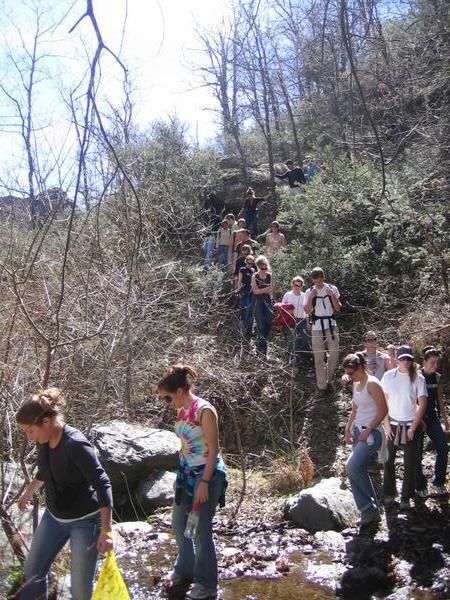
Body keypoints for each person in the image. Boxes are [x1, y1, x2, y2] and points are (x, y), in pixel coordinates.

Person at [16, 388, 113, 600]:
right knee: (32, 573)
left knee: (79, 590)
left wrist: (106, 531)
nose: (29, 437)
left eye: (30, 431)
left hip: (85, 523)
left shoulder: (75, 444)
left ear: (46, 422)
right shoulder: (44, 441)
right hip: (53, 518)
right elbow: (45, 470)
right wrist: (27, 493)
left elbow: (103, 483)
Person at [157, 365, 227, 600]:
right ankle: (184, 570)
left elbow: (214, 450)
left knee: (200, 529)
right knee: (179, 524)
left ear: (179, 391)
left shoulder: (205, 411)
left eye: (167, 398)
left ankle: (207, 584)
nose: (167, 403)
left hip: (206, 476)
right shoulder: (182, 410)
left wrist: (205, 483)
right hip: (185, 474)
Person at [343, 353, 388, 525]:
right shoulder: (356, 383)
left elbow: (383, 410)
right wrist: (348, 429)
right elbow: (355, 410)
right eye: (348, 373)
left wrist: (368, 429)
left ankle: (368, 507)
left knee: (351, 467)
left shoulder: (373, 384)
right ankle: (370, 511)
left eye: (352, 373)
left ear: (361, 367)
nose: (350, 376)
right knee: (357, 470)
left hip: (372, 433)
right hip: (357, 430)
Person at [381, 345, 428, 511]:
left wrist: (413, 428)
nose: (405, 361)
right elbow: (383, 403)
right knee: (388, 460)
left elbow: (422, 404)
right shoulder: (388, 377)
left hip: (410, 424)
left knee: (409, 462)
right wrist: (386, 425)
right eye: (402, 359)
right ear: (396, 360)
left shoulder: (418, 378)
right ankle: (389, 492)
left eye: (408, 358)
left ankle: (406, 497)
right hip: (392, 423)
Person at [415, 347, 449, 498]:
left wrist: (445, 419)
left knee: (443, 447)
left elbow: (440, 400)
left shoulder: (436, 377)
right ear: (424, 362)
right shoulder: (416, 376)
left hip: (433, 417)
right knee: (417, 453)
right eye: (432, 362)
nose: (435, 366)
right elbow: (411, 399)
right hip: (417, 417)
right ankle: (420, 485)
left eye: (437, 363)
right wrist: (418, 420)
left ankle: (439, 482)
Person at [303, 267, 341, 391]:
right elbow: (307, 310)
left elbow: (338, 308)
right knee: (319, 357)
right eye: (315, 281)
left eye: (319, 281)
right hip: (317, 326)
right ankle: (322, 386)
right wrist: (311, 298)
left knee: (334, 355)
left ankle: (329, 378)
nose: (317, 284)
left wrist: (332, 295)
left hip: (331, 324)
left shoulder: (332, 289)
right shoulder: (309, 291)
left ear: (323, 278)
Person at [282, 277, 310, 369]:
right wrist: (287, 312)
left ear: (302, 286)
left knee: (304, 339)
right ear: (292, 285)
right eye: (295, 285)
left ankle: (299, 359)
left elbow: (307, 310)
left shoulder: (304, 295)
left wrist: (308, 322)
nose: (297, 287)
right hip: (290, 320)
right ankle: (292, 361)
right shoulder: (288, 294)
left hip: (302, 320)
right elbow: (281, 307)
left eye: (299, 285)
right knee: (292, 339)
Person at [250, 256, 274, 356]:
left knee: (268, 322)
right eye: (262, 268)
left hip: (268, 301)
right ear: (258, 267)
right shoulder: (254, 276)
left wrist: (263, 290)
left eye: (265, 268)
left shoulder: (270, 276)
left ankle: (262, 342)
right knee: (260, 324)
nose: (264, 270)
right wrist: (265, 289)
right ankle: (261, 349)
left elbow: (272, 289)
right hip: (258, 302)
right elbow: (255, 291)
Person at [237, 254, 256, 340]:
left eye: (251, 263)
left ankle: (248, 332)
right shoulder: (242, 269)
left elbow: (254, 282)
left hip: (251, 292)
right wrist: (239, 291)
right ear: (246, 262)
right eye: (248, 263)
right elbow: (239, 281)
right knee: (243, 311)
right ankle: (241, 332)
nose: (249, 265)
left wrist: (253, 290)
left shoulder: (253, 270)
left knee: (250, 311)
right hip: (243, 290)